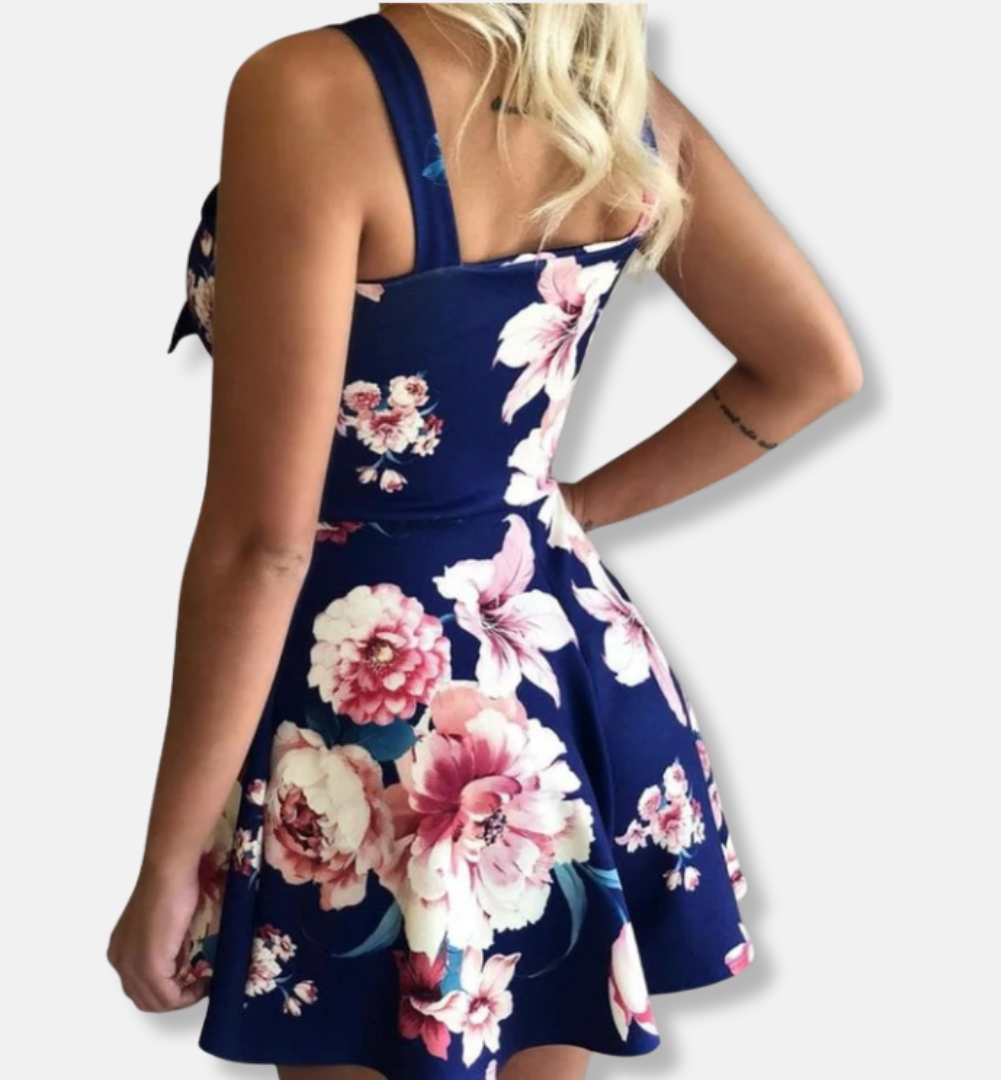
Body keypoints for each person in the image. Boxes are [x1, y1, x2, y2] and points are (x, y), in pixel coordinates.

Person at [107, 5, 863, 1080]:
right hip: (556, 670)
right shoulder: (610, 100)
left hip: (362, 705)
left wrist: (169, 856)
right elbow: (813, 367)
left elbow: (262, 545)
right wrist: (561, 508)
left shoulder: (307, 91)